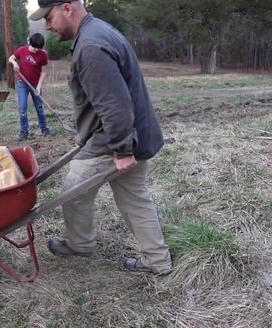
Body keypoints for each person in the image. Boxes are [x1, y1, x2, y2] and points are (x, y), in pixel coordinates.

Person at [30, 0, 173, 275]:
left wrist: (121, 150)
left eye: (49, 17)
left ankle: (80, 243)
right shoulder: (98, 31)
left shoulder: (91, 47)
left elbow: (114, 105)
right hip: (134, 135)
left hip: (113, 140)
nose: (46, 25)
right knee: (134, 198)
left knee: (72, 192)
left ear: (67, 8)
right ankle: (157, 260)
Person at [8, 33, 52, 141]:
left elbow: (44, 72)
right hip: (22, 83)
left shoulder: (42, 55)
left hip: (35, 84)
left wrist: (39, 86)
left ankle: (44, 129)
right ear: (30, 43)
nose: (36, 50)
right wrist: (14, 64)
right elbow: (11, 58)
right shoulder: (22, 50)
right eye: (34, 47)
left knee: (39, 107)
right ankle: (24, 131)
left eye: (38, 48)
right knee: (22, 108)